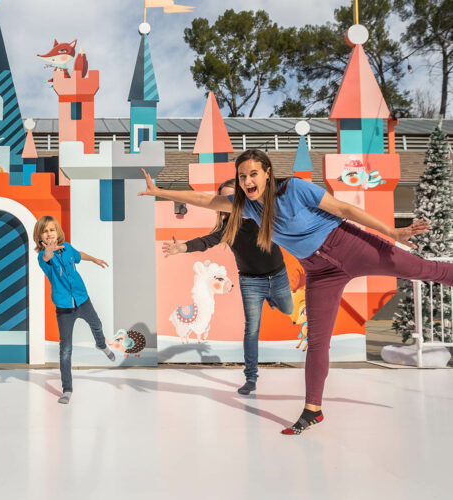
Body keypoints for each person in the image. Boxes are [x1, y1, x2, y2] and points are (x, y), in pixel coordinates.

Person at [139, 149, 453, 435]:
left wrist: (392, 231)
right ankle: (313, 409)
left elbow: (344, 208)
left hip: (352, 247)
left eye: (253, 174)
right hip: (320, 272)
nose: (247, 181)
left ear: (266, 173)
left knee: (426, 270)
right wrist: (159, 191)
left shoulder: (293, 189)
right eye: (242, 176)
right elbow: (207, 201)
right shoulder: (246, 206)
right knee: (317, 341)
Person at [163, 178, 293, 395]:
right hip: (251, 281)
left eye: (233, 197)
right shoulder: (227, 229)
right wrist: (183, 247)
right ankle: (251, 378)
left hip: (278, 276)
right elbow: (206, 241)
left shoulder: (262, 214)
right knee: (251, 329)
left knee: (288, 309)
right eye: (225, 199)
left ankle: (272, 298)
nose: (230, 202)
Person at [33, 215, 116, 404]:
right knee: (66, 350)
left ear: (58, 232)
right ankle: (67, 389)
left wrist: (94, 259)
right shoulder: (43, 257)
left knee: (97, 324)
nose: (49, 234)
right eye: (45, 232)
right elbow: (47, 257)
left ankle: (101, 345)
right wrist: (48, 251)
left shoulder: (68, 248)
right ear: (40, 237)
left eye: (52, 230)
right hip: (64, 309)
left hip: (82, 300)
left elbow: (79, 255)